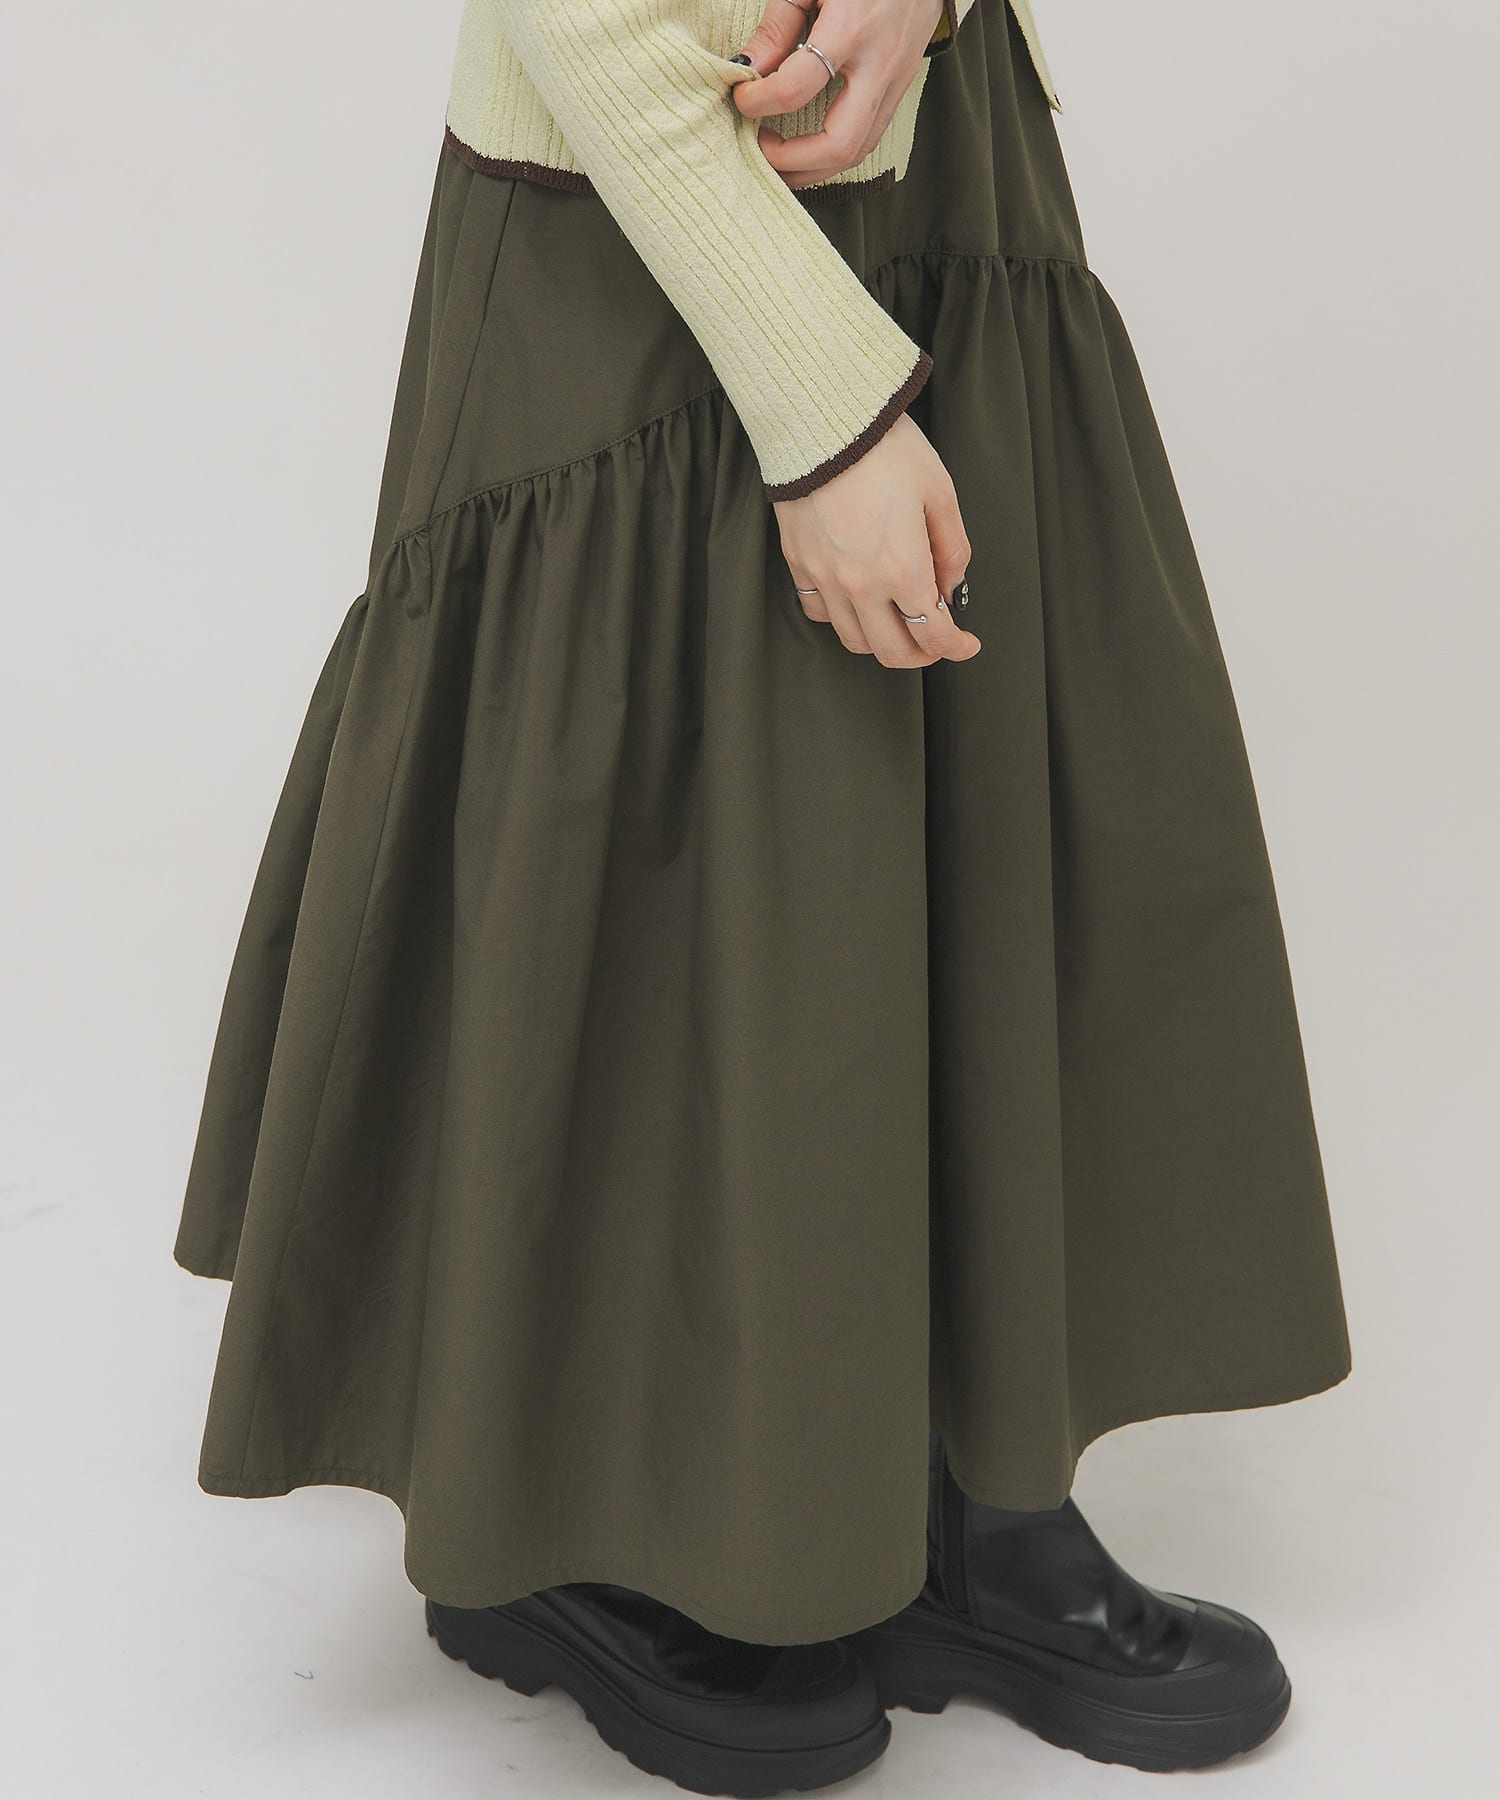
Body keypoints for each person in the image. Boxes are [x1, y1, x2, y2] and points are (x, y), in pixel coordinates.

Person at [173, 3, 1353, 1793]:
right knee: (644, 885)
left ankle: (964, 1499)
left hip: (943, 138)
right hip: (635, 174)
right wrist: (825, 406)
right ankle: (566, 1522)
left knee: (944, 830)